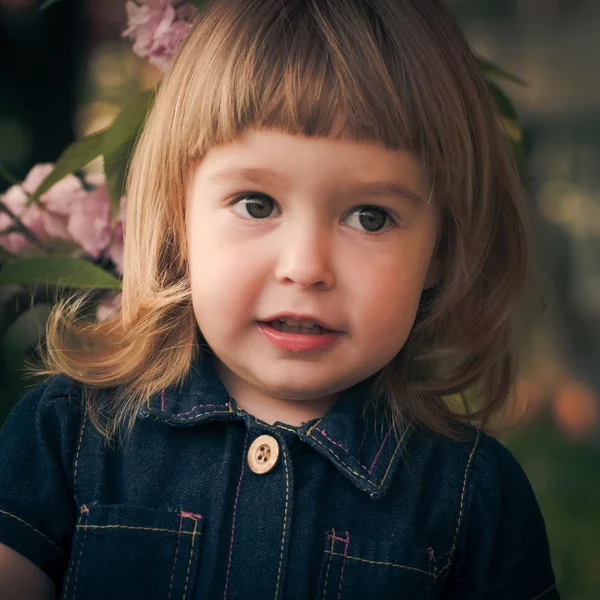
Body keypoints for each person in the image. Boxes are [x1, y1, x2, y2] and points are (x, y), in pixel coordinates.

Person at [0, 0, 560, 598]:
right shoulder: (67, 436)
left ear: (443, 249)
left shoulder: (472, 499)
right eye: (256, 204)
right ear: (177, 218)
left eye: (370, 217)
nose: (305, 268)